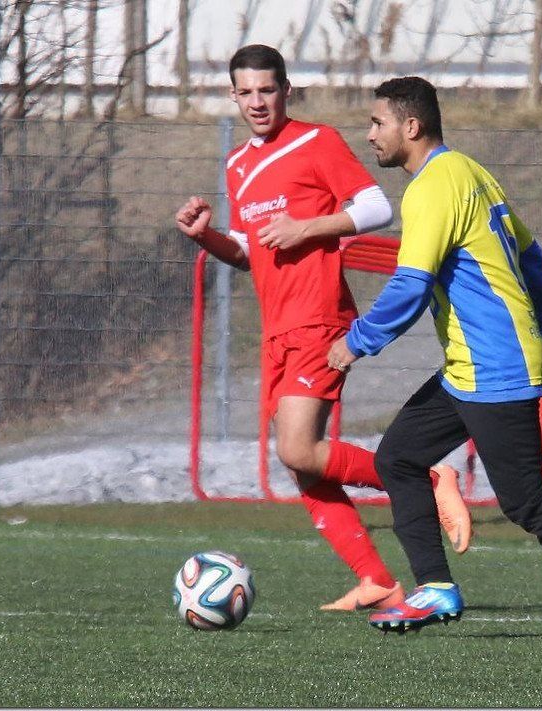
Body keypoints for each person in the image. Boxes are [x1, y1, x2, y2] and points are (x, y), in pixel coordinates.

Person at [328, 76, 542, 645]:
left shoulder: (432, 187)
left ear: (411, 126)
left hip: (493, 368)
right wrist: (536, 334)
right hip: (471, 367)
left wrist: (358, 341)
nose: (369, 134)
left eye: (377, 123)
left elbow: (410, 285)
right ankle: (435, 587)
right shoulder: (470, 172)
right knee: (398, 459)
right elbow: (532, 257)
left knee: (524, 501)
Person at [174, 47, 472, 612]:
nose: (257, 102)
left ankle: (428, 478)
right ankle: (375, 580)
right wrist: (206, 236)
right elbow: (251, 250)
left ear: (287, 90)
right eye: (246, 92)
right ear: (233, 96)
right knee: (300, 460)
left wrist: (308, 228)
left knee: (298, 446)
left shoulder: (317, 141)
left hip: (318, 317)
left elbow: (376, 208)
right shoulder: (238, 164)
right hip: (277, 328)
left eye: (267, 90)